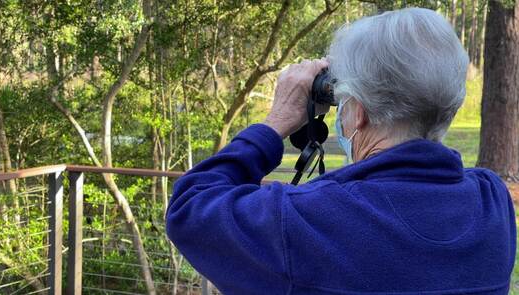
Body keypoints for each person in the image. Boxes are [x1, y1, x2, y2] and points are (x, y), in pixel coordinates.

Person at [166, 7, 516, 295]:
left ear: (359, 111)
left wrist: (275, 122)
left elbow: (189, 207)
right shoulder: (491, 202)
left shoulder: (309, 221)